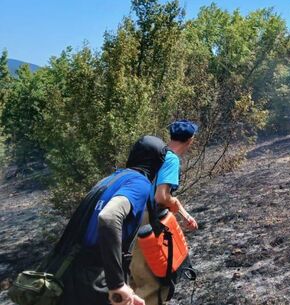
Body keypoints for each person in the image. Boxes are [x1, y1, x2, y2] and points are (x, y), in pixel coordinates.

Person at [57, 135, 168, 305]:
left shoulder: (110, 180)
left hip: (70, 271)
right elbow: (109, 218)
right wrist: (116, 284)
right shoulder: (140, 183)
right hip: (94, 277)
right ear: (157, 163)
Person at [130, 120, 199, 305]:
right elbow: (162, 197)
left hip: (133, 217)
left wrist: (185, 216)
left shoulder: (157, 154)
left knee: (135, 276)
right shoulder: (172, 159)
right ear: (190, 140)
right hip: (149, 222)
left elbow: (165, 197)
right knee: (152, 282)